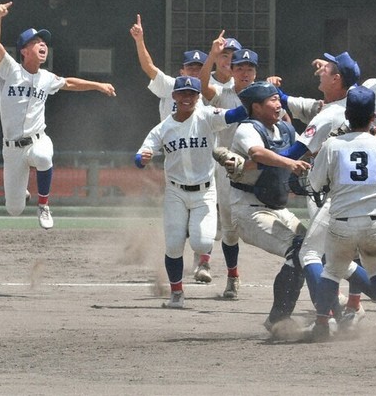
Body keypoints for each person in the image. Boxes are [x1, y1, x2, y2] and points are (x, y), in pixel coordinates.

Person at [0, 1, 116, 229]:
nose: (42, 44)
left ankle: (44, 204)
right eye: (36, 42)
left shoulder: (46, 78)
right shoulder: (9, 70)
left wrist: (98, 85)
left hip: (37, 140)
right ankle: (22, 193)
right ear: (24, 51)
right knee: (14, 209)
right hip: (12, 149)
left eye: (44, 42)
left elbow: (70, 83)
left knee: (44, 157)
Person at [134, 76, 248, 308]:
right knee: (174, 245)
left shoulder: (207, 116)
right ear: (174, 96)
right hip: (175, 193)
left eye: (192, 94)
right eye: (183, 93)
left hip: (204, 193)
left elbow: (235, 115)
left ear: (198, 97)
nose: (187, 98)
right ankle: (177, 293)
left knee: (202, 243)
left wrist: (254, 96)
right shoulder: (163, 127)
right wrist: (142, 158)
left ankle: (194, 229)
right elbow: (141, 154)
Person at [309, 86, 376, 340]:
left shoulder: (332, 145)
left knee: (331, 271)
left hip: (342, 222)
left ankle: (322, 322)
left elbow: (315, 184)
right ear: (373, 116)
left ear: (347, 115)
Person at [130, 14, 214, 282]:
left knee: (205, 220)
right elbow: (148, 66)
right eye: (190, 67)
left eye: (199, 68)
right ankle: (180, 263)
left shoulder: (208, 93)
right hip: (174, 156)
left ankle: (202, 262)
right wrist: (140, 40)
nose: (194, 72)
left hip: (203, 159)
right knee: (179, 219)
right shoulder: (170, 87)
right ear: (181, 70)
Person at [229, 81, 312, 326]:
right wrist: (289, 163)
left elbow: (306, 150)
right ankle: (278, 320)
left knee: (311, 251)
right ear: (256, 106)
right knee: (298, 250)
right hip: (248, 210)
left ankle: (328, 309)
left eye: (278, 99)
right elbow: (258, 154)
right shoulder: (247, 128)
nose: (279, 104)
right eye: (273, 100)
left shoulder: (285, 130)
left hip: (278, 209)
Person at [199, 36, 257, 299]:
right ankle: (233, 276)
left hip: (257, 169)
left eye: (249, 68)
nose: (245, 72)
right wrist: (212, 55)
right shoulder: (223, 95)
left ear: (256, 72)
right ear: (231, 71)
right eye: (240, 68)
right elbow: (201, 87)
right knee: (230, 229)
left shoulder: (266, 94)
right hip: (226, 171)